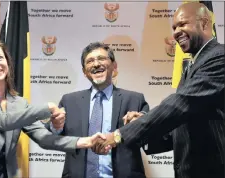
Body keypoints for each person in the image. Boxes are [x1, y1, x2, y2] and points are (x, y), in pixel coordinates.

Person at [92, 2, 225, 178]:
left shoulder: (219, 57)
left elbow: (180, 105)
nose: (176, 32)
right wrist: (145, 124)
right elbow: (183, 121)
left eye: (183, 24)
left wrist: (118, 136)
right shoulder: (191, 65)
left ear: (205, 23)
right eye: (174, 27)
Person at [0, 40, 107, 178]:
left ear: (7, 62)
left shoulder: (19, 103)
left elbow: (44, 139)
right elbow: (1, 121)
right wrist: (48, 107)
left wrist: (87, 142)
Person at [49, 42, 149, 178]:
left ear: (114, 66)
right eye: (90, 61)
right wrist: (55, 126)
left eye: (101, 59)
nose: (96, 64)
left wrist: (140, 121)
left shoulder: (134, 99)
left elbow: (150, 132)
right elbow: (54, 138)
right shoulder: (69, 101)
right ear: (84, 72)